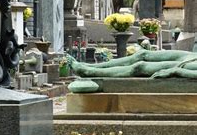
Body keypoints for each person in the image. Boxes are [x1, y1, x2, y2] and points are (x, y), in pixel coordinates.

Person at [68, 50, 197, 79]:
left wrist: (177, 71)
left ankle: (90, 72)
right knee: (143, 54)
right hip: (192, 56)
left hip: (192, 67)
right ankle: (90, 66)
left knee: (140, 66)